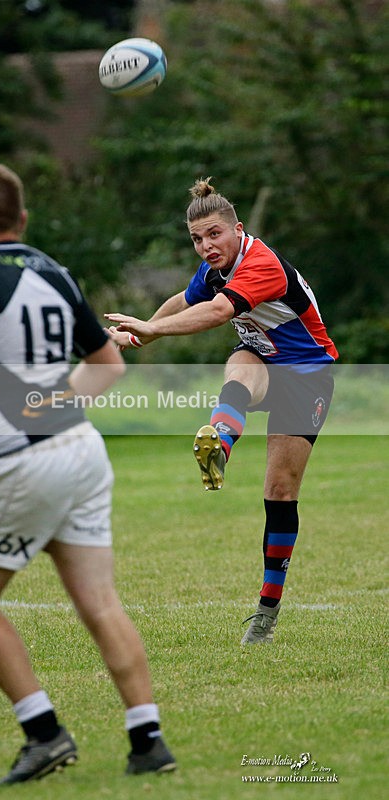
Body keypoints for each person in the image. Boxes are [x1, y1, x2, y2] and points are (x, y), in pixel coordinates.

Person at [0, 162, 176, 784]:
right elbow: (108, 365)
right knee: (99, 600)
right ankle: (148, 739)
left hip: (21, 459)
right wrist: (51, 407)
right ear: (23, 220)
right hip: (82, 451)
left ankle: (44, 733)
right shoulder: (53, 271)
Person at [105, 177, 337, 646]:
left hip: (308, 376)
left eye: (214, 234)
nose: (206, 246)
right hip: (264, 363)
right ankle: (221, 443)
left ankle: (266, 614)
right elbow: (186, 300)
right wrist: (143, 328)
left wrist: (154, 332)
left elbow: (215, 313)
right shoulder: (215, 268)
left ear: (237, 230)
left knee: (279, 490)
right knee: (240, 362)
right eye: (196, 239)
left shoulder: (261, 264)